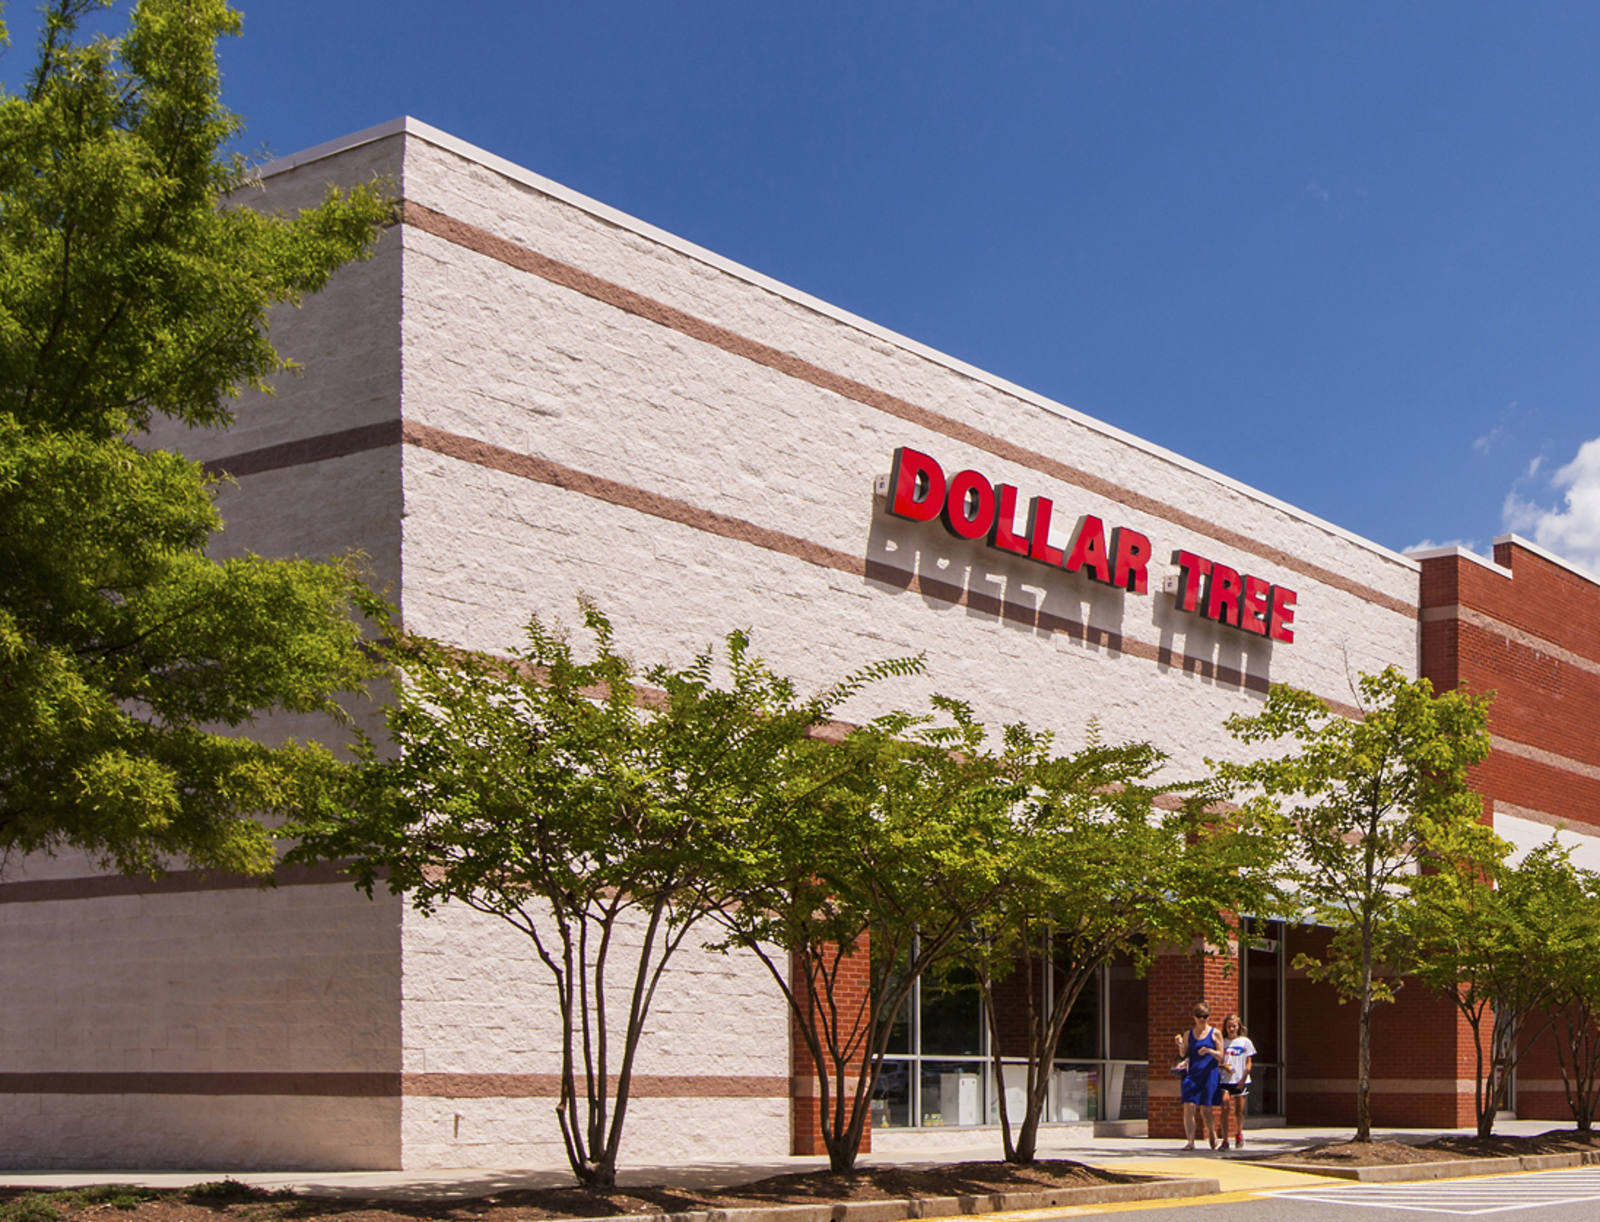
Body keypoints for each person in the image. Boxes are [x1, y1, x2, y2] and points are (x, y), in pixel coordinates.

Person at [1173, 1001, 1222, 1150]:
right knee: (1189, 1106)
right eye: (1199, 1016)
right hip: (1192, 1074)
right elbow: (1184, 1054)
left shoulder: (1215, 1033)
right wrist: (1180, 1045)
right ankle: (1190, 1141)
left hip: (1209, 1073)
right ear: (1194, 1017)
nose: (1202, 1019)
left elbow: (1221, 1056)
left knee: (1206, 1110)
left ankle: (1212, 1134)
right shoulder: (1189, 1034)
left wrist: (1209, 1051)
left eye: (1205, 1016)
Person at [1218, 1013, 1256, 1148]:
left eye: (1234, 1026)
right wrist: (1223, 1066)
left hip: (1240, 1080)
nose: (1231, 1029)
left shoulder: (1245, 1042)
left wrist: (1243, 1078)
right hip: (1225, 1080)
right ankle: (1225, 1139)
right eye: (1229, 1026)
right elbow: (1218, 1061)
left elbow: (1249, 1063)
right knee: (1225, 1107)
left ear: (1238, 1026)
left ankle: (1239, 1133)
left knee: (1238, 1111)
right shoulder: (1222, 1042)